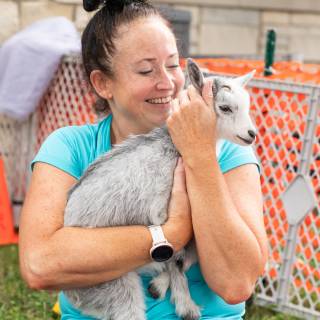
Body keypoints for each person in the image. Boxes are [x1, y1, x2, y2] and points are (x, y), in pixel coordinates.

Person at [19, 0, 268, 319]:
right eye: (146, 70)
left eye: (174, 64)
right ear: (102, 83)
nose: (168, 82)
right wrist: (170, 234)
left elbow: (237, 283)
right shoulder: (71, 147)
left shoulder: (229, 150)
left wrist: (200, 156)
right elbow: (40, 265)